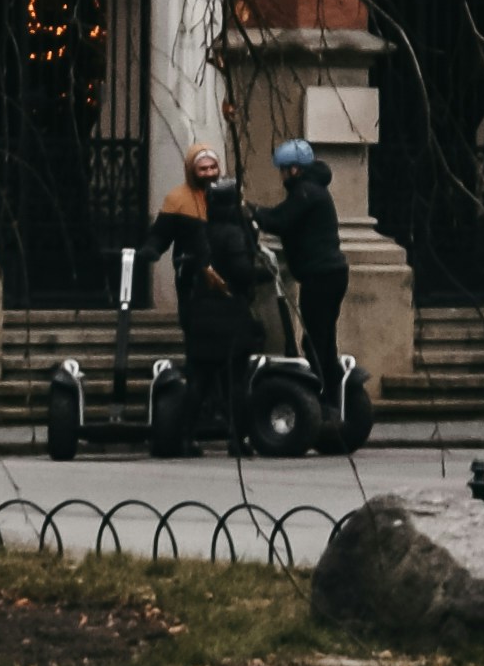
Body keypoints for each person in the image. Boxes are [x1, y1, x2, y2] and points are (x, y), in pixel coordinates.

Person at [131, 145, 264, 443]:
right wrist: (150, 251)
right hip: (195, 287)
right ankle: (216, 418)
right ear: (192, 170)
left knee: (207, 366)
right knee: (213, 363)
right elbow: (161, 233)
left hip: (220, 296)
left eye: (212, 168)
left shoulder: (230, 208)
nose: (208, 174)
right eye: (202, 169)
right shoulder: (179, 200)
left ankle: (207, 418)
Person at [265, 137, 351, 404]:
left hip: (320, 276)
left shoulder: (305, 192)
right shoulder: (313, 189)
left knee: (314, 342)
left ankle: (325, 396)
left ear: (294, 169)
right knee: (324, 339)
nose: (282, 175)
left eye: (283, 169)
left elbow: (280, 220)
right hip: (330, 274)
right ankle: (334, 394)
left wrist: (250, 212)